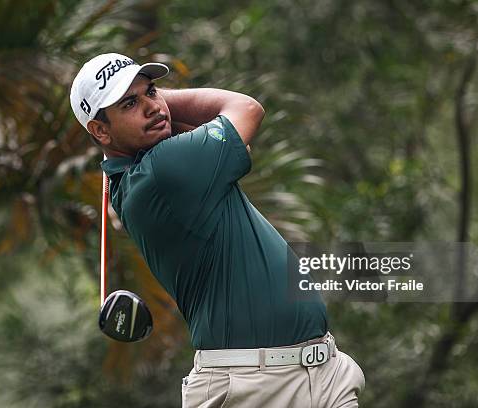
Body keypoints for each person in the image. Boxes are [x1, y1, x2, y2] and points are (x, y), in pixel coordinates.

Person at [70, 53, 365, 407]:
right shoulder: (162, 171)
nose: (151, 107)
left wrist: (149, 106)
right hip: (250, 388)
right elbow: (245, 108)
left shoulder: (149, 170)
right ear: (100, 130)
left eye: (152, 91)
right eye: (130, 103)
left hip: (322, 373)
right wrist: (164, 104)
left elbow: (240, 141)